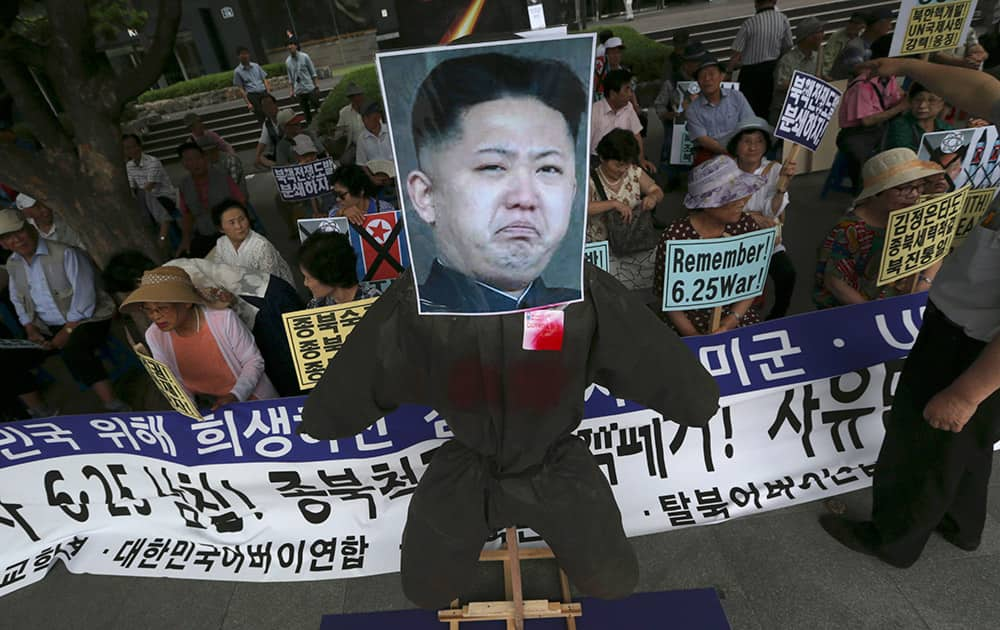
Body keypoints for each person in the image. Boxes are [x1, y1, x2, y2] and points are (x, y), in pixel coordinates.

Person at [299, 257, 720, 612]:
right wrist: (326, 417)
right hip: (470, 463)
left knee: (613, 580)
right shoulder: (423, 292)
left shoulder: (572, 281)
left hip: (553, 463)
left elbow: (645, 353)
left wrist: (692, 398)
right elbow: (369, 366)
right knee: (426, 589)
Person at [820, 56, 1000, 570]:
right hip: (969, 329)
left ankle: (892, 539)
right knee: (972, 444)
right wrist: (901, 64)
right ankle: (961, 525)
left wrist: (966, 393)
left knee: (921, 443)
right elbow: (984, 90)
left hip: (971, 346)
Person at [405, 52, 586, 314]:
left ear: (572, 191)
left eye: (548, 168)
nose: (525, 198)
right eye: (493, 167)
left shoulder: (587, 309)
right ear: (425, 195)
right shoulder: (400, 327)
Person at [105, 251, 304, 397]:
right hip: (255, 305)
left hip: (264, 301)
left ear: (137, 280)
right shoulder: (155, 332)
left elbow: (221, 302)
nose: (152, 312)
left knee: (290, 364)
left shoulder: (177, 277)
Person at [1, 209, 130, 412]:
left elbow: (85, 299)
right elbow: (17, 298)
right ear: (2, 244)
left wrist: (67, 331)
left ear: (30, 229)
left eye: (19, 232)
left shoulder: (65, 253)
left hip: (89, 318)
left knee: (74, 349)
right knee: (8, 358)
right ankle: (42, 413)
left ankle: (112, 403)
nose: (16, 240)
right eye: (8, 238)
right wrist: (30, 329)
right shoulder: (13, 264)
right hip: (49, 325)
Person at [121, 266, 277, 408]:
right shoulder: (154, 335)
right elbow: (173, 381)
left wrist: (235, 395)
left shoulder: (223, 319)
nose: (155, 316)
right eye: (148, 310)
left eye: (162, 308)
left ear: (186, 303)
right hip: (207, 408)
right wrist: (190, 410)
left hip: (254, 400)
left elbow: (253, 360)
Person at [814, 148, 943, 309]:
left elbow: (936, 248)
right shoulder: (849, 230)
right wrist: (875, 314)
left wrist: (924, 284)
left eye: (919, 186)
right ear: (876, 193)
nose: (914, 194)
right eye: (905, 188)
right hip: (860, 311)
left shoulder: (917, 212)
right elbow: (835, 283)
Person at [654, 156, 768, 335]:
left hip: (734, 317)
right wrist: (695, 337)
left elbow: (750, 284)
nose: (741, 202)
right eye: (731, 197)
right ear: (706, 204)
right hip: (684, 323)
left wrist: (729, 322)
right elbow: (668, 299)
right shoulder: (675, 237)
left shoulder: (745, 226)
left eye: (741, 194)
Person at [725, 117, 797, 319]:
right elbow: (721, 210)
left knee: (787, 274)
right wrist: (751, 218)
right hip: (732, 238)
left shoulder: (775, 170)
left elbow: (771, 213)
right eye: (747, 141)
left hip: (766, 239)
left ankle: (776, 318)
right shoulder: (724, 170)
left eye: (759, 142)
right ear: (736, 144)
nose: (753, 147)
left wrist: (783, 188)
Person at [587, 129, 664, 291]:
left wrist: (652, 198)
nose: (623, 169)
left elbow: (657, 191)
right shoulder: (590, 180)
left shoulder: (634, 172)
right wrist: (613, 204)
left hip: (634, 243)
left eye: (626, 163)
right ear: (602, 158)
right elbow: (582, 209)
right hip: (603, 247)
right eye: (618, 164)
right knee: (607, 292)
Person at [836, 36, 907, 192]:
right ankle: (861, 195)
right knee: (861, 158)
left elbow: (896, 98)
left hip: (880, 128)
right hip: (856, 133)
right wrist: (899, 108)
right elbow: (867, 121)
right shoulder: (862, 86)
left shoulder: (889, 78)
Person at [176, 141, 245, 258]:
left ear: (204, 158)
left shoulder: (222, 175)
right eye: (189, 160)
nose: (195, 163)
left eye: (198, 158)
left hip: (230, 230)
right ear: (184, 164)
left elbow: (241, 201)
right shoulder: (184, 185)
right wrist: (185, 239)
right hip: (203, 233)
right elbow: (187, 215)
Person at [728, 0, 793, 118]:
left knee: (749, 109)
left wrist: (728, 71)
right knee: (767, 108)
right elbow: (788, 45)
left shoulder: (749, 23)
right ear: (774, 2)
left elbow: (736, 52)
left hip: (750, 74)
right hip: (772, 70)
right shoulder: (783, 19)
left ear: (756, 4)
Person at [685, 56, 756, 165]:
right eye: (702, 76)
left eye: (711, 74)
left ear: (721, 76)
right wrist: (732, 153)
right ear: (698, 82)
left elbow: (750, 125)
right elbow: (703, 140)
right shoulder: (692, 109)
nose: (707, 79)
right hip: (710, 155)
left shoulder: (736, 96)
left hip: (741, 150)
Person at [207, 199, 293, 284]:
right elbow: (220, 271)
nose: (238, 226)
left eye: (241, 219)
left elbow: (270, 283)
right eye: (232, 223)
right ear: (221, 229)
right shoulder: (221, 243)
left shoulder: (261, 246)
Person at [590, 69, 655, 172]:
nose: (630, 94)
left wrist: (641, 159)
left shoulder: (628, 107)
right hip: (599, 160)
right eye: (626, 89)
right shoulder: (594, 111)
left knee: (648, 173)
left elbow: (636, 134)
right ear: (612, 94)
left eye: (630, 89)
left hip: (625, 158)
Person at [298, 231, 381, 308]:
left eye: (308, 278)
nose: (305, 283)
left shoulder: (375, 301)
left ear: (329, 275)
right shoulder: (315, 306)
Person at [123, 133, 178, 246]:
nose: (132, 150)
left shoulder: (153, 162)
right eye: (127, 148)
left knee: (153, 211)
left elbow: (149, 186)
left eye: (134, 146)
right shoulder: (129, 166)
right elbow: (131, 187)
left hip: (163, 197)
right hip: (146, 199)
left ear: (139, 146)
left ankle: (163, 240)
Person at [769, 17, 827, 124]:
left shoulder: (817, 57)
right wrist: (808, 83)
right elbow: (781, 84)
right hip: (786, 115)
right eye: (820, 32)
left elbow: (822, 77)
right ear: (808, 37)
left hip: (808, 113)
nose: (823, 35)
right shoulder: (787, 60)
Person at [884, 83, 953, 152]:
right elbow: (906, 155)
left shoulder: (946, 128)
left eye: (931, 100)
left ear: (942, 104)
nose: (922, 105)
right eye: (918, 100)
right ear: (910, 102)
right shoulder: (899, 125)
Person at [829, 9, 894, 81]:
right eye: (888, 23)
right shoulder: (855, 47)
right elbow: (861, 73)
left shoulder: (872, 45)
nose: (890, 27)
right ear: (877, 25)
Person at [327, 164, 395, 225]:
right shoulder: (335, 212)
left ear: (360, 191)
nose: (337, 199)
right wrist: (340, 214)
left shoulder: (385, 209)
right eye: (335, 194)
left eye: (342, 195)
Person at [15, 193, 85, 250]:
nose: (45, 210)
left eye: (45, 203)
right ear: (26, 213)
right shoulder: (26, 232)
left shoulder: (68, 220)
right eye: (37, 207)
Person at [232, 45, 271, 124]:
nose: (245, 56)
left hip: (263, 92)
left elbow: (264, 79)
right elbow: (241, 88)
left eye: (246, 53)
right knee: (261, 116)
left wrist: (268, 92)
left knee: (270, 112)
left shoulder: (256, 66)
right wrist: (248, 103)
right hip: (253, 95)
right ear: (238, 56)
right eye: (242, 54)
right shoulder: (237, 71)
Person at [285, 38, 319, 125]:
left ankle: (320, 123)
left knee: (316, 106)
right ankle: (310, 126)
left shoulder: (305, 57)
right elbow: (290, 78)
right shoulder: (288, 62)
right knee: (306, 112)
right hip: (299, 90)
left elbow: (313, 72)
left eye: (291, 44)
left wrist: (316, 86)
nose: (289, 47)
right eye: (288, 45)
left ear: (296, 46)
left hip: (309, 87)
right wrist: (291, 91)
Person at [822, 12, 868, 76]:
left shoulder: (864, 37)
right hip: (838, 71)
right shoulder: (837, 35)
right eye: (851, 22)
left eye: (856, 23)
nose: (852, 25)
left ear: (863, 26)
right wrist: (825, 75)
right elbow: (828, 57)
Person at [334, 82, 366, 162]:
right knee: (344, 161)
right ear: (351, 98)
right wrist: (341, 133)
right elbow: (338, 133)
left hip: (371, 143)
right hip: (354, 146)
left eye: (360, 95)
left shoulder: (370, 109)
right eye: (356, 96)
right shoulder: (344, 112)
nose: (359, 98)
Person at [254, 94, 282, 168]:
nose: (268, 108)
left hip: (292, 150)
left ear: (275, 104)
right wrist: (257, 157)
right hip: (278, 153)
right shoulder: (267, 124)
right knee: (261, 157)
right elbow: (262, 142)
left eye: (270, 104)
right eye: (265, 106)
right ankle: (278, 167)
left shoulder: (284, 116)